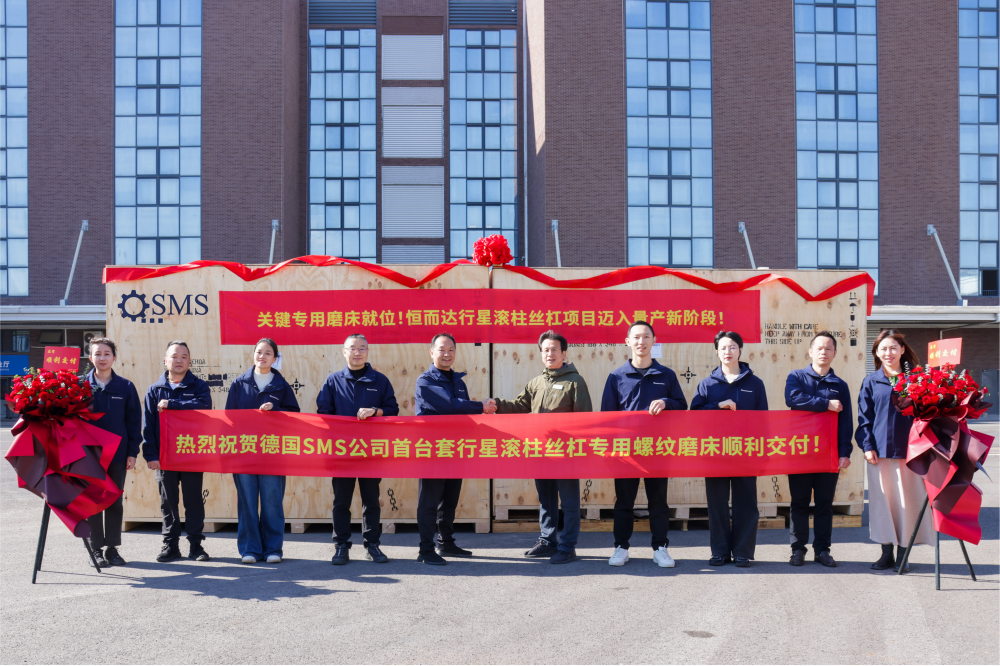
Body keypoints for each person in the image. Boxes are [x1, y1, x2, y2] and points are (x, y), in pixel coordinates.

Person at [494, 330, 592, 564]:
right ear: (541, 354)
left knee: (569, 503)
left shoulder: (575, 382)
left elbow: (585, 419)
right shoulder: (536, 383)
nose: (550, 353)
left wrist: (580, 452)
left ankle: (567, 546)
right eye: (545, 350)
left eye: (554, 349)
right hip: (541, 452)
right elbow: (519, 406)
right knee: (546, 500)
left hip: (566, 454)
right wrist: (495, 405)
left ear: (564, 353)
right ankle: (548, 541)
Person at [600, 320, 687, 568]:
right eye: (636, 337)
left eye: (646, 337)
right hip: (625, 451)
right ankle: (621, 547)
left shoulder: (666, 375)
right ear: (627, 341)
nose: (641, 342)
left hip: (657, 448)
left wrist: (667, 402)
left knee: (658, 501)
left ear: (654, 340)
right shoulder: (616, 377)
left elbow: (683, 406)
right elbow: (607, 415)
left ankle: (660, 548)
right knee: (624, 502)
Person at [317, 333, 399, 566]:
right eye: (352, 348)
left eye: (362, 348)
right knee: (341, 501)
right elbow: (323, 412)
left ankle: (372, 545)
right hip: (342, 451)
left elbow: (393, 409)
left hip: (371, 451)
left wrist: (376, 411)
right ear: (344, 352)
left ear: (367, 352)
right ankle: (341, 545)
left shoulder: (379, 381)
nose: (357, 352)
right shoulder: (333, 381)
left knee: (371, 501)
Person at [414, 332, 496, 565]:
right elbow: (450, 406)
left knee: (449, 500)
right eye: (441, 349)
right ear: (432, 352)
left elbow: (464, 415)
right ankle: (425, 549)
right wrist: (481, 406)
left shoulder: (458, 382)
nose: (447, 353)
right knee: (429, 501)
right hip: (433, 450)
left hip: (455, 449)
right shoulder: (425, 381)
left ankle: (446, 543)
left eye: (451, 349)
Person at [856, 328, 932, 572]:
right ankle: (886, 552)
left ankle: (903, 554)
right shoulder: (871, 381)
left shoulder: (916, 380)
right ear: (877, 353)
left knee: (907, 504)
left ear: (902, 350)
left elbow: (928, 415)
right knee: (883, 504)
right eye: (883, 349)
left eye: (892, 348)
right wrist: (867, 446)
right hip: (879, 454)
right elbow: (864, 418)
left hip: (911, 452)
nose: (888, 353)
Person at [691, 330, 768, 568]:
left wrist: (762, 453)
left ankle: (743, 552)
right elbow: (693, 416)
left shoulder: (755, 384)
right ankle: (720, 552)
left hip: (746, 452)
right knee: (717, 504)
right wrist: (717, 405)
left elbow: (763, 421)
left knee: (746, 504)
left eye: (733, 347)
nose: (728, 351)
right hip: (715, 452)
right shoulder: (707, 384)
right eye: (723, 348)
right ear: (717, 352)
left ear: (740, 350)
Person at [226, 338, 300, 565]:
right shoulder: (239, 384)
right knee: (247, 502)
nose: (262, 356)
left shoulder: (281, 385)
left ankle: (272, 549)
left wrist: (275, 409)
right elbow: (229, 418)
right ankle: (250, 549)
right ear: (253, 355)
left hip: (272, 452)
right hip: (245, 452)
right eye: (259, 352)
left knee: (272, 501)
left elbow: (294, 416)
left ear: (275, 358)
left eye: (268, 353)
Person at [784, 331, 853, 568]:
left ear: (835, 353)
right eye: (819, 348)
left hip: (828, 453)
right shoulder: (796, 377)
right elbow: (793, 399)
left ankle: (822, 550)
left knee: (824, 504)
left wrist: (845, 452)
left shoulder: (840, 385)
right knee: (799, 502)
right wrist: (826, 404)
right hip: (800, 451)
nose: (824, 352)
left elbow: (846, 421)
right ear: (810, 352)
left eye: (828, 348)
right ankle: (797, 550)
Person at [142, 340, 213, 563]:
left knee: (194, 501)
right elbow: (148, 426)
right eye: (174, 356)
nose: (179, 360)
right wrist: (151, 455)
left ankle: (196, 545)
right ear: (166, 361)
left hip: (191, 453)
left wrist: (172, 404)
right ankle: (170, 545)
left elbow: (204, 408)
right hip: (164, 456)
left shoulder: (199, 387)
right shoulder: (154, 390)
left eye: (183, 357)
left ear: (190, 361)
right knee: (168, 502)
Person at [84, 337, 142, 568]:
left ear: (114, 357)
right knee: (92, 501)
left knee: (114, 501)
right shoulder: (79, 386)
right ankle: (96, 549)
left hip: (117, 455)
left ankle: (112, 548)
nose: (102, 358)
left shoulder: (125, 387)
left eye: (106, 353)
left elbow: (133, 422)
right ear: (91, 358)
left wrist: (132, 452)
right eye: (97, 354)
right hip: (88, 456)